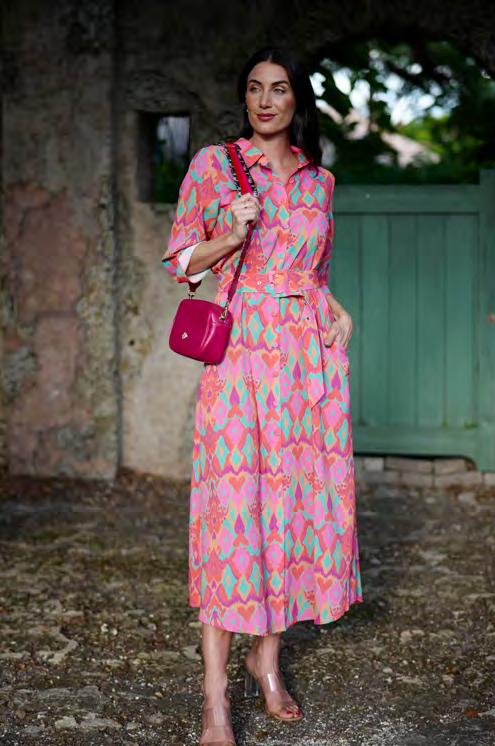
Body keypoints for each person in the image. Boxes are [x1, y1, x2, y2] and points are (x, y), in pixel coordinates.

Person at [161, 45, 363, 746]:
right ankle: (215, 697)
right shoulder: (215, 166)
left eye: (279, 89)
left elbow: (314, 271)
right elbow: (181, 262)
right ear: (244, 98)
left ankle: (267, 661)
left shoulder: (320, 181)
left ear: (296, 98)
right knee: (232, 516)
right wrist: (229, 233)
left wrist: (336, 308)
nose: (266, 100)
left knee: (288, 511)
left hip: (305, 363)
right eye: (254, 88)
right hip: (242, 357)